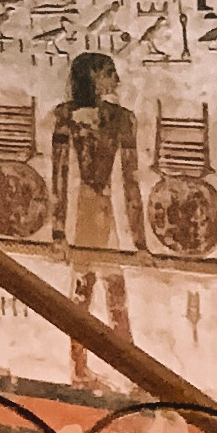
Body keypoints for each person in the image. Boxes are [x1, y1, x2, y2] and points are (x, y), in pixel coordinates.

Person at [51, 52, 146, 346]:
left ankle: (129, 368)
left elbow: (131, 183)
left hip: (102, 210)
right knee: (88, 290)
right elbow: (59, 177)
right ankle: (80, 371)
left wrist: (140, 242)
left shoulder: (123, 118)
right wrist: (58, 233)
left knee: (112, 292)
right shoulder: (66, 116)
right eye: (108, 73)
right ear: (92, 79)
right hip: (88, 211)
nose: (116, 80)